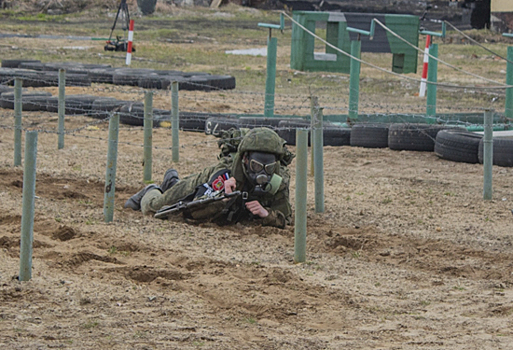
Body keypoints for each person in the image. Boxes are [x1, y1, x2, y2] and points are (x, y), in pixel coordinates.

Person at [124, 127, 294, 229]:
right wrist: (221, 199)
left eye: (269, 167)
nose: (262, 173)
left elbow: (286, 218)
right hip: (197, 185)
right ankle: (151, 189)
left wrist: (267, 214)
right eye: (256, 166)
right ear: (245, 160)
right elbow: (195, 212)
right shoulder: (225, 174)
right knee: (154, 208)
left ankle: (172, 181)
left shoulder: (279, 179)